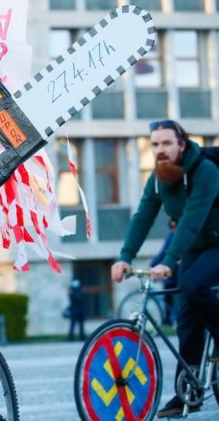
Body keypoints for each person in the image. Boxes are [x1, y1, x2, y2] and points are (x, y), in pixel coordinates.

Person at [110, 120, 219, 418]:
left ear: (181, 144)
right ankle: (188, 391)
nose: (160, 149)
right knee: (185, 316)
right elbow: (143, 216)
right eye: (155, 144)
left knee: (194, 285)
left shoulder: (205, 171)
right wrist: (125, 257)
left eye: (166, 143)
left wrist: (169, 262)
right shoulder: (159, 178)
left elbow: (191, 221)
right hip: (197, 246)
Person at [149, 220, 178, 326]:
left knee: (176, 295)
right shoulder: (171, 236)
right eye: (172, 228)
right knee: (167, 294)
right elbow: (162, 253)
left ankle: (173, 318)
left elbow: (166, 253)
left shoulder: (178, 237)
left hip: (177, 273)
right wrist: (153, 265)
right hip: (170, 274)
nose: (174, 230)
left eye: (175, 227)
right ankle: (167, 320)